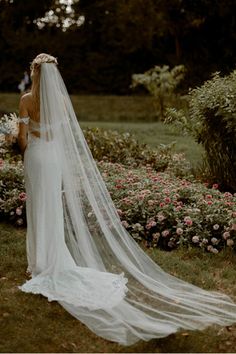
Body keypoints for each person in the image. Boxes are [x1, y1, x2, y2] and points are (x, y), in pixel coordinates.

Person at [17, 53, 236, 346]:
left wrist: (12, 140)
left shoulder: (26, 99)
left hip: (35, 157)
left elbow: (22, 139)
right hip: (53, 159)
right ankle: (54, 259)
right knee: (53, 208)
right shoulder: (59, 101)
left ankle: (42, 263)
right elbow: (62, 136)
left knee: (38, 207)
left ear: (34, 72)